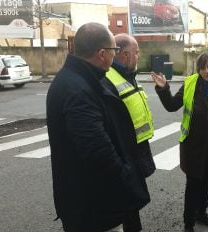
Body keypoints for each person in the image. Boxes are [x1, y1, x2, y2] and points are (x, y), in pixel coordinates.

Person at [46, 22, 150, 232]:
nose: (115, 56)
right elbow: (98, 151)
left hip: (92, 199)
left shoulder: (82, 79)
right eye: (114, 51)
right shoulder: (77, 89)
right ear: (102, 53)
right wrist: (129, 182)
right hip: (92, 205)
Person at [151, 52, 208, 232]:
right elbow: (172, 106)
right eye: (202, 67)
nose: (206, 71)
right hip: (193, 145)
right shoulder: (190, 82)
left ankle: (201, 213)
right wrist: (164, 89)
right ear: (198, 69)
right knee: (193, 183)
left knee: (207, 179)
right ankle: (188, 223)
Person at [102, 33, 156, 232]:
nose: (139, 56)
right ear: (124, 55)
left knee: (133, 198)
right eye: (137, 52)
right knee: (127, 200)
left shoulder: (128, 75)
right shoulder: (109, 80)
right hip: (124, 151)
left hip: (136, 148)